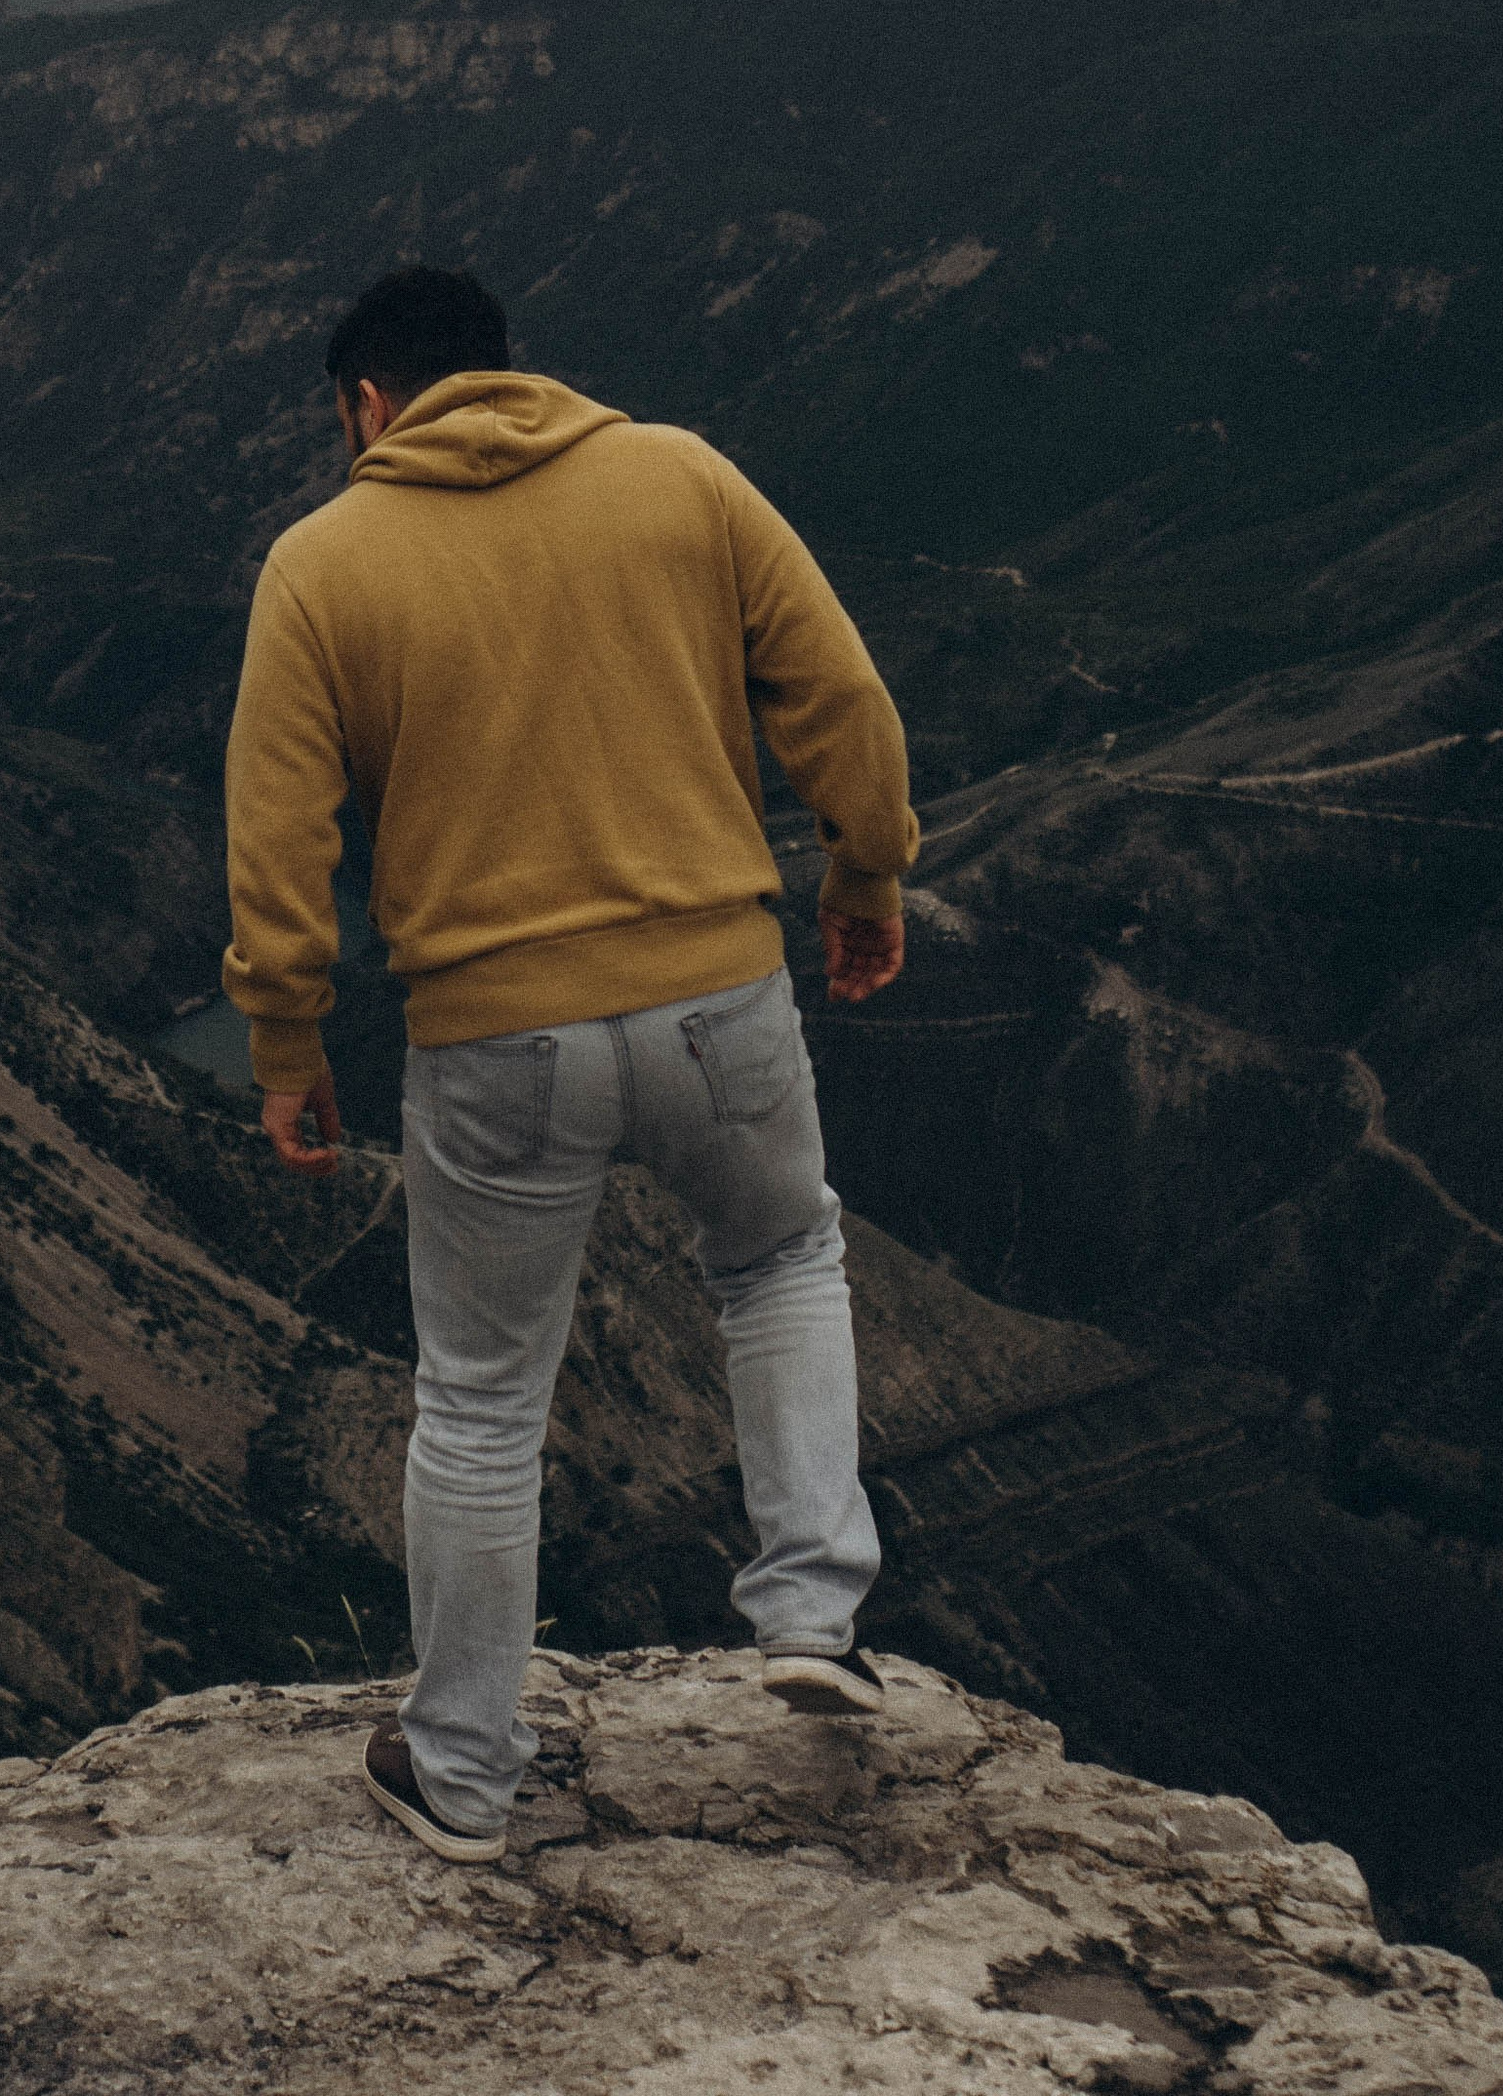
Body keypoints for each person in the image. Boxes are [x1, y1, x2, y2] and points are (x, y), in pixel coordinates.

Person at [222, 263, 915, 1865]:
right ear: (508, 371)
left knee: (478, 1402)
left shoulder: (323, 564)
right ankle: (812, 1610)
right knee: (781, 1260)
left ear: (364, 406)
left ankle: (463, 1768)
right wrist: (863, 880)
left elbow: (277, 842)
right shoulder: (682, 476)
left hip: (494, 1039)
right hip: (718, 998)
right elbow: (847, 710)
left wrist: (286, 1038)